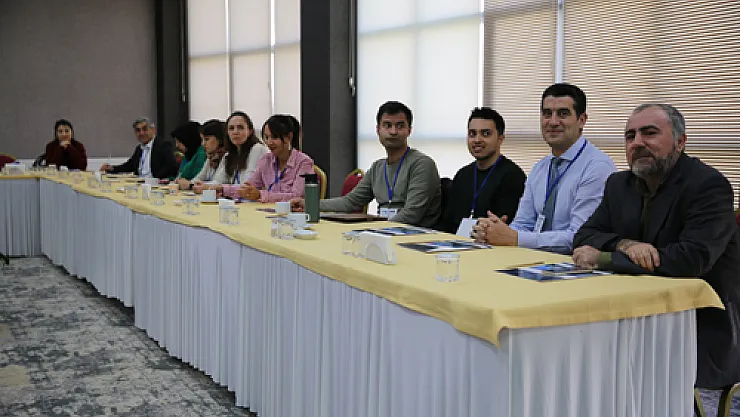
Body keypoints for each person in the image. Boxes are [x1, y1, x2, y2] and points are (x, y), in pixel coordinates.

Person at [572, 104, 740, 389]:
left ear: (680, 141)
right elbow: (584, 235)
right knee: (577, 358)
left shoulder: (708, 186)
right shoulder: (619, 184)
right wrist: (625, 244)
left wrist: (604, 258)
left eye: (649, 133)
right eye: (630, 136)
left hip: (697, 327)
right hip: (632, 314)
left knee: (604, 369)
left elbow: (691, 259)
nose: (637, 143)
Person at [472, 83, 615, 254]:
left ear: (582, 120)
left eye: (563, 114)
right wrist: (495, 231)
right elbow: (523, 224)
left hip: (573, 263)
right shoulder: (540, 168)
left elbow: (580, 236)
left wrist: (515, 237)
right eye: (547, 113)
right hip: (534, 260)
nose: (553, 122)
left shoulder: (597, 167)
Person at [291, 101, 442, 228]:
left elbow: (411, 215)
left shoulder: (422, 164)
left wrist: (375, 231)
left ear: (409, 131)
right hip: (386, 233)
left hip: (415, 237)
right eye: (387, 125)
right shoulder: (377, 167)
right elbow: (350, 202)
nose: (393, 131)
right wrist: (308, 204)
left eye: (400, 126)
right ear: (378, 130)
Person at [438, 107, 526, 234]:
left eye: (486, 134)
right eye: (472, 134)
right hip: (454, 242)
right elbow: (446, 224)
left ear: (500, 139)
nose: (477, 140)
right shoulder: (463, 175)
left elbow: (507, 228)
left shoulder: (513, 177)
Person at [221, 115, 313, 203]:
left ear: (289, 137)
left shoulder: (304, 162)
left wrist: (260, 195)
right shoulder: (266, 159)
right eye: (267, 137)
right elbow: (248, 187)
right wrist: (222, 189)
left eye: (274, 137)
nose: (269, 142)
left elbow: (297, 196)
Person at [99, 117, 178, 179]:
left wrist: (155, 179)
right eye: (138, 130)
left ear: (153, 130)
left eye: (144, 129)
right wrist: (111, 168)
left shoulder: (163, 145)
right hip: (139, 183)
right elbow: (129, 165)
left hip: (156, 185)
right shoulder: (139, 149)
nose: (141, 133)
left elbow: (171, 166)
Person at [210, 111, 268, 186]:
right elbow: (218, 180)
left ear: (250, 131)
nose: (235, 132)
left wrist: (223, 188)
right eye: (231, 128)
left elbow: (248, 184)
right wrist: (201, 185)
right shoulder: (229, 154)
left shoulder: (257, 149)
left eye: (240, 128)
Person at [179, 119, 226, 190]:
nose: (203, 144)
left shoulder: (227, 157)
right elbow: (198, 178)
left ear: (219, 140)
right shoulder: (210, 158)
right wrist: (189, 183)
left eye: (207, 139)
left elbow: (218, 183)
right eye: (202, 140)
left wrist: (190, 185)